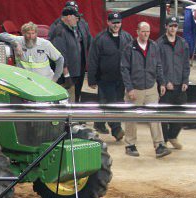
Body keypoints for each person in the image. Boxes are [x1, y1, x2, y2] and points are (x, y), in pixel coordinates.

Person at [121, 22, 169, 158]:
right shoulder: (129, 48)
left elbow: (158, 65)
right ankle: (130, 145)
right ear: (137, 32)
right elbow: (124, 69)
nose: (146, 34)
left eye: (147, 31)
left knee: (154, 116)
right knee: (131, 118)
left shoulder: (154, 46)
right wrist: (129, 88)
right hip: (135, 89)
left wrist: (162, 83)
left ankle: (159, 145)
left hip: (151, 87)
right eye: (143, 31)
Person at [87, 12, 132, 140]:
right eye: (113, 22)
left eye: (118, 22)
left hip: (121, 78)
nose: (116, 25)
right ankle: (117, 129)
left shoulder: (127, 37)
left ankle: (99, 123)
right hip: (105, 79)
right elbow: (93, 59)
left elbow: (132, 58)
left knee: (117, 102)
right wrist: (92, 79)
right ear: (108, 23)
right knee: (111, 103)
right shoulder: (100, 39)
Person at [157, 16, 190, 150]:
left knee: (181, 112)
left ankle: (173, 136)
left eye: (175, 26)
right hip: (166, 86)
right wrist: (164, 82)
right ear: (166, 26)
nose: (173, 28)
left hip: (180, 85)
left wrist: (185, 80)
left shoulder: (183, 43)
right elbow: (158, 65)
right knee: (164, 114)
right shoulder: (159, 44)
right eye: (170, 26)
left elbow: (186, 63)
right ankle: (164, 140)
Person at [49, 4, 91, 102]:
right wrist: (66, 74)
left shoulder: (70, 28)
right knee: (66, 99)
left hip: (75, 71)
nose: (77, 20)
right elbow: (60, 55)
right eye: (75, 17)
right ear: (68, 17)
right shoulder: (59, 31)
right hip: (66, 75)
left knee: (74, 97)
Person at [0, 22, 64, 82]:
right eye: (28, 33)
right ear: (23, 33)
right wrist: (16, 43)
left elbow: (60, 59)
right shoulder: (18, 40)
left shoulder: (45, 44)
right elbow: (1, 35)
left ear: (36, 33)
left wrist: (55, 78)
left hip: (45, 80)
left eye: (33, 33)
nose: (31, 36)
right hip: (25, 81)